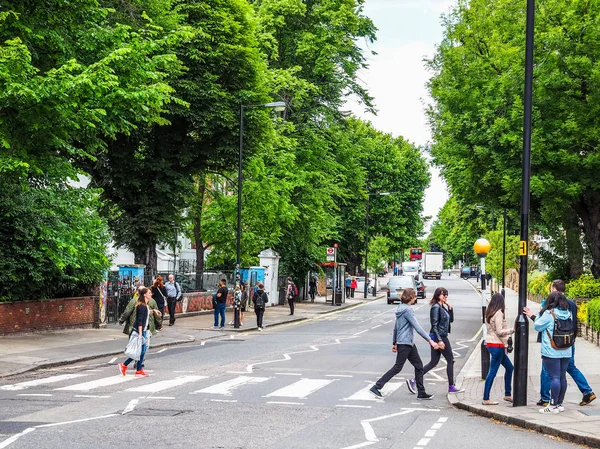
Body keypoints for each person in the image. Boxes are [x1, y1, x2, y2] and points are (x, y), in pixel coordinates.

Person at [524, 279, 596, 407]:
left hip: (553, 344)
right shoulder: (570, 305)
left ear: (554, 289)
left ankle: (547, 399)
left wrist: (538, 313)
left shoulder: (552, 305)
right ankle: (586, 392)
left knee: (548, 372)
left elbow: (541, 325)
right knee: (568, 369)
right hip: (568, 342)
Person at [370, 288, 438, 400]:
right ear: (411, 297)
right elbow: (417, 327)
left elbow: (396, 328)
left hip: (407, 343)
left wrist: (394, 342)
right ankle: (377, 386)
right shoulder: (408, 310)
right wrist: (430, 340)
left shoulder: (400, 308)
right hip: (405, 343)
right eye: (414, 296)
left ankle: (421, 392)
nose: (415, 298)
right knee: (397, 367)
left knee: (419, 366)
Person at [524, 291, 574, 413]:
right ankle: (559, 404)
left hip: (551, 350)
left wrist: (537, 314)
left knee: (554, 378)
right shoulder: (568, 313)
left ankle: (552, 405)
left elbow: (538, 326)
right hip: (566, 349)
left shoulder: (549, 314)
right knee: (562, 377)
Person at [408, 287, 463, 394]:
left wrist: (450, 308)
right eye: (443, 295)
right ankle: (451, 386)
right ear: (438, 296)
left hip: (440, 336)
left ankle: (414, 380)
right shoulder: (436, 307)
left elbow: (450, 320)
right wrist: (439, 340)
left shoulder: (442, 307)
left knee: (433, 362)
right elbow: (434, 325)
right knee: (450, 360)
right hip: (440, 337)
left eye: (446, 294)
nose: (446, 296)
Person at [482, 293, 515, 405]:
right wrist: (512, 330)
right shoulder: (499, 313)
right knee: (492, 372)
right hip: (496, 346)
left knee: (510, 368)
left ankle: (507, 394)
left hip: (491, 344)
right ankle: (486, 398)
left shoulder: (489, 312)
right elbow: (500, 331)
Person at [119, 287, 153, 377]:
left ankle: (138, 370)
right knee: (138, 351)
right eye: (149, 293)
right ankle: (125, 365)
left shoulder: (145, 305)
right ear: (145, 294)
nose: (151, 294)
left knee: (142, 351)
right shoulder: (142, 306)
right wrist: (141, 334)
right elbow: (139, 320)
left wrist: (154, 311)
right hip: (140, 331)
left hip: (143, 331)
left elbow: (146, 314)